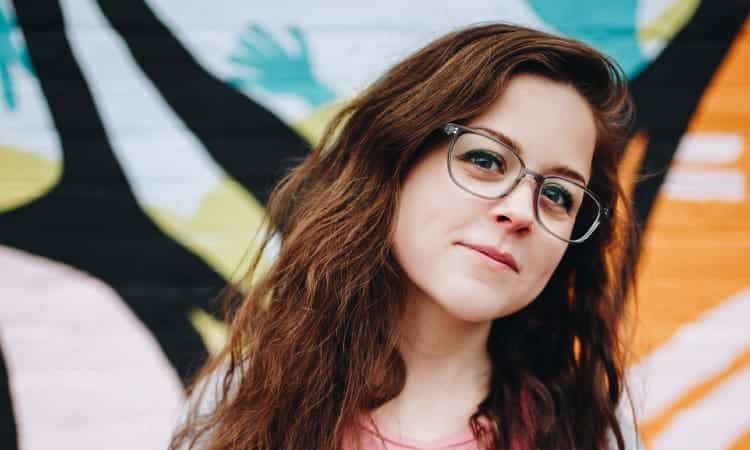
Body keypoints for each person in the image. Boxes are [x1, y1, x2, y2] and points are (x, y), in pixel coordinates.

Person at [169, 23, 641, 450]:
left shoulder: (590, 433)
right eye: (485, 160)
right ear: (397, 162)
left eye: (558, 194)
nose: (521, 212)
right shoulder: (244, 404)